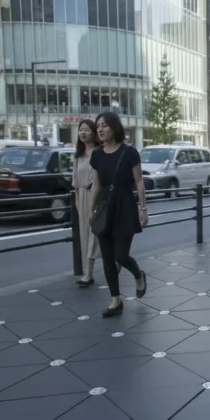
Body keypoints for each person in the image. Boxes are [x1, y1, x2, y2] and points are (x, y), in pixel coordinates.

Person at [89, 112, 148, 317]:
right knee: (106, 258)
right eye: (98, 126)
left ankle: (138, 275)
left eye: (104, 125)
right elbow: (96, 183)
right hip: (105, 206)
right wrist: (92, 209)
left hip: (125, 205)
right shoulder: (96, 154)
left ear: (114, 128)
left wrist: (143, 209)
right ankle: (115, 300)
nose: (100, 129)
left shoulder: (130, 152)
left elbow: (139, 181)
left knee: (120, 255)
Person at [73, 119, 101, 287]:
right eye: (80, 130)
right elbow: (75, 184)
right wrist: (77, 203)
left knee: (96, 234)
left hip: (97, 196)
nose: (83, 133)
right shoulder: (78, 155)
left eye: (86, 130)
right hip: (82, 197)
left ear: (94, 132)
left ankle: (116, 260)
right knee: (86, 235)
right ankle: (89, 273)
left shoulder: (100, 152)